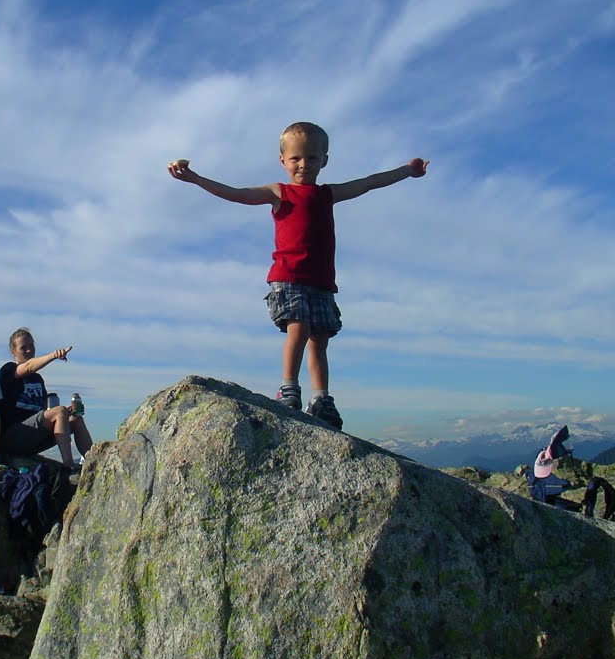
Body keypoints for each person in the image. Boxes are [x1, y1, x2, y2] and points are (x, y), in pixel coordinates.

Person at [168, 121, 428, 430]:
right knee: (299, 329)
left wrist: (406, 171)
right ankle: (288, 388)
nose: (304, 164)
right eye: (296, 158)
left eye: (313, 158)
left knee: (319, 341)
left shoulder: (327, 194)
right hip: (288, 278)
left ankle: (321, 399)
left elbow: (370, 182)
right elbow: (236, 193)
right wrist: (196, 178)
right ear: (283, 161)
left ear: (324, 161)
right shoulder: (279, 192)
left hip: (321, 282)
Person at [0, 328, 93, 467]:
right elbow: (29, 366)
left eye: (31, 346)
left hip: (35, 436)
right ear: (13, 352)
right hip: (13, 436)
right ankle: (69, 465)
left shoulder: (37, 379)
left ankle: (94, 462)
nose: (29, 350)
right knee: (59, 411)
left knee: (75, 418)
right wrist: (54, 355)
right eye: (23, 347)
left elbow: (46, 412)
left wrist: (68, 411)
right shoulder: (8, 371)